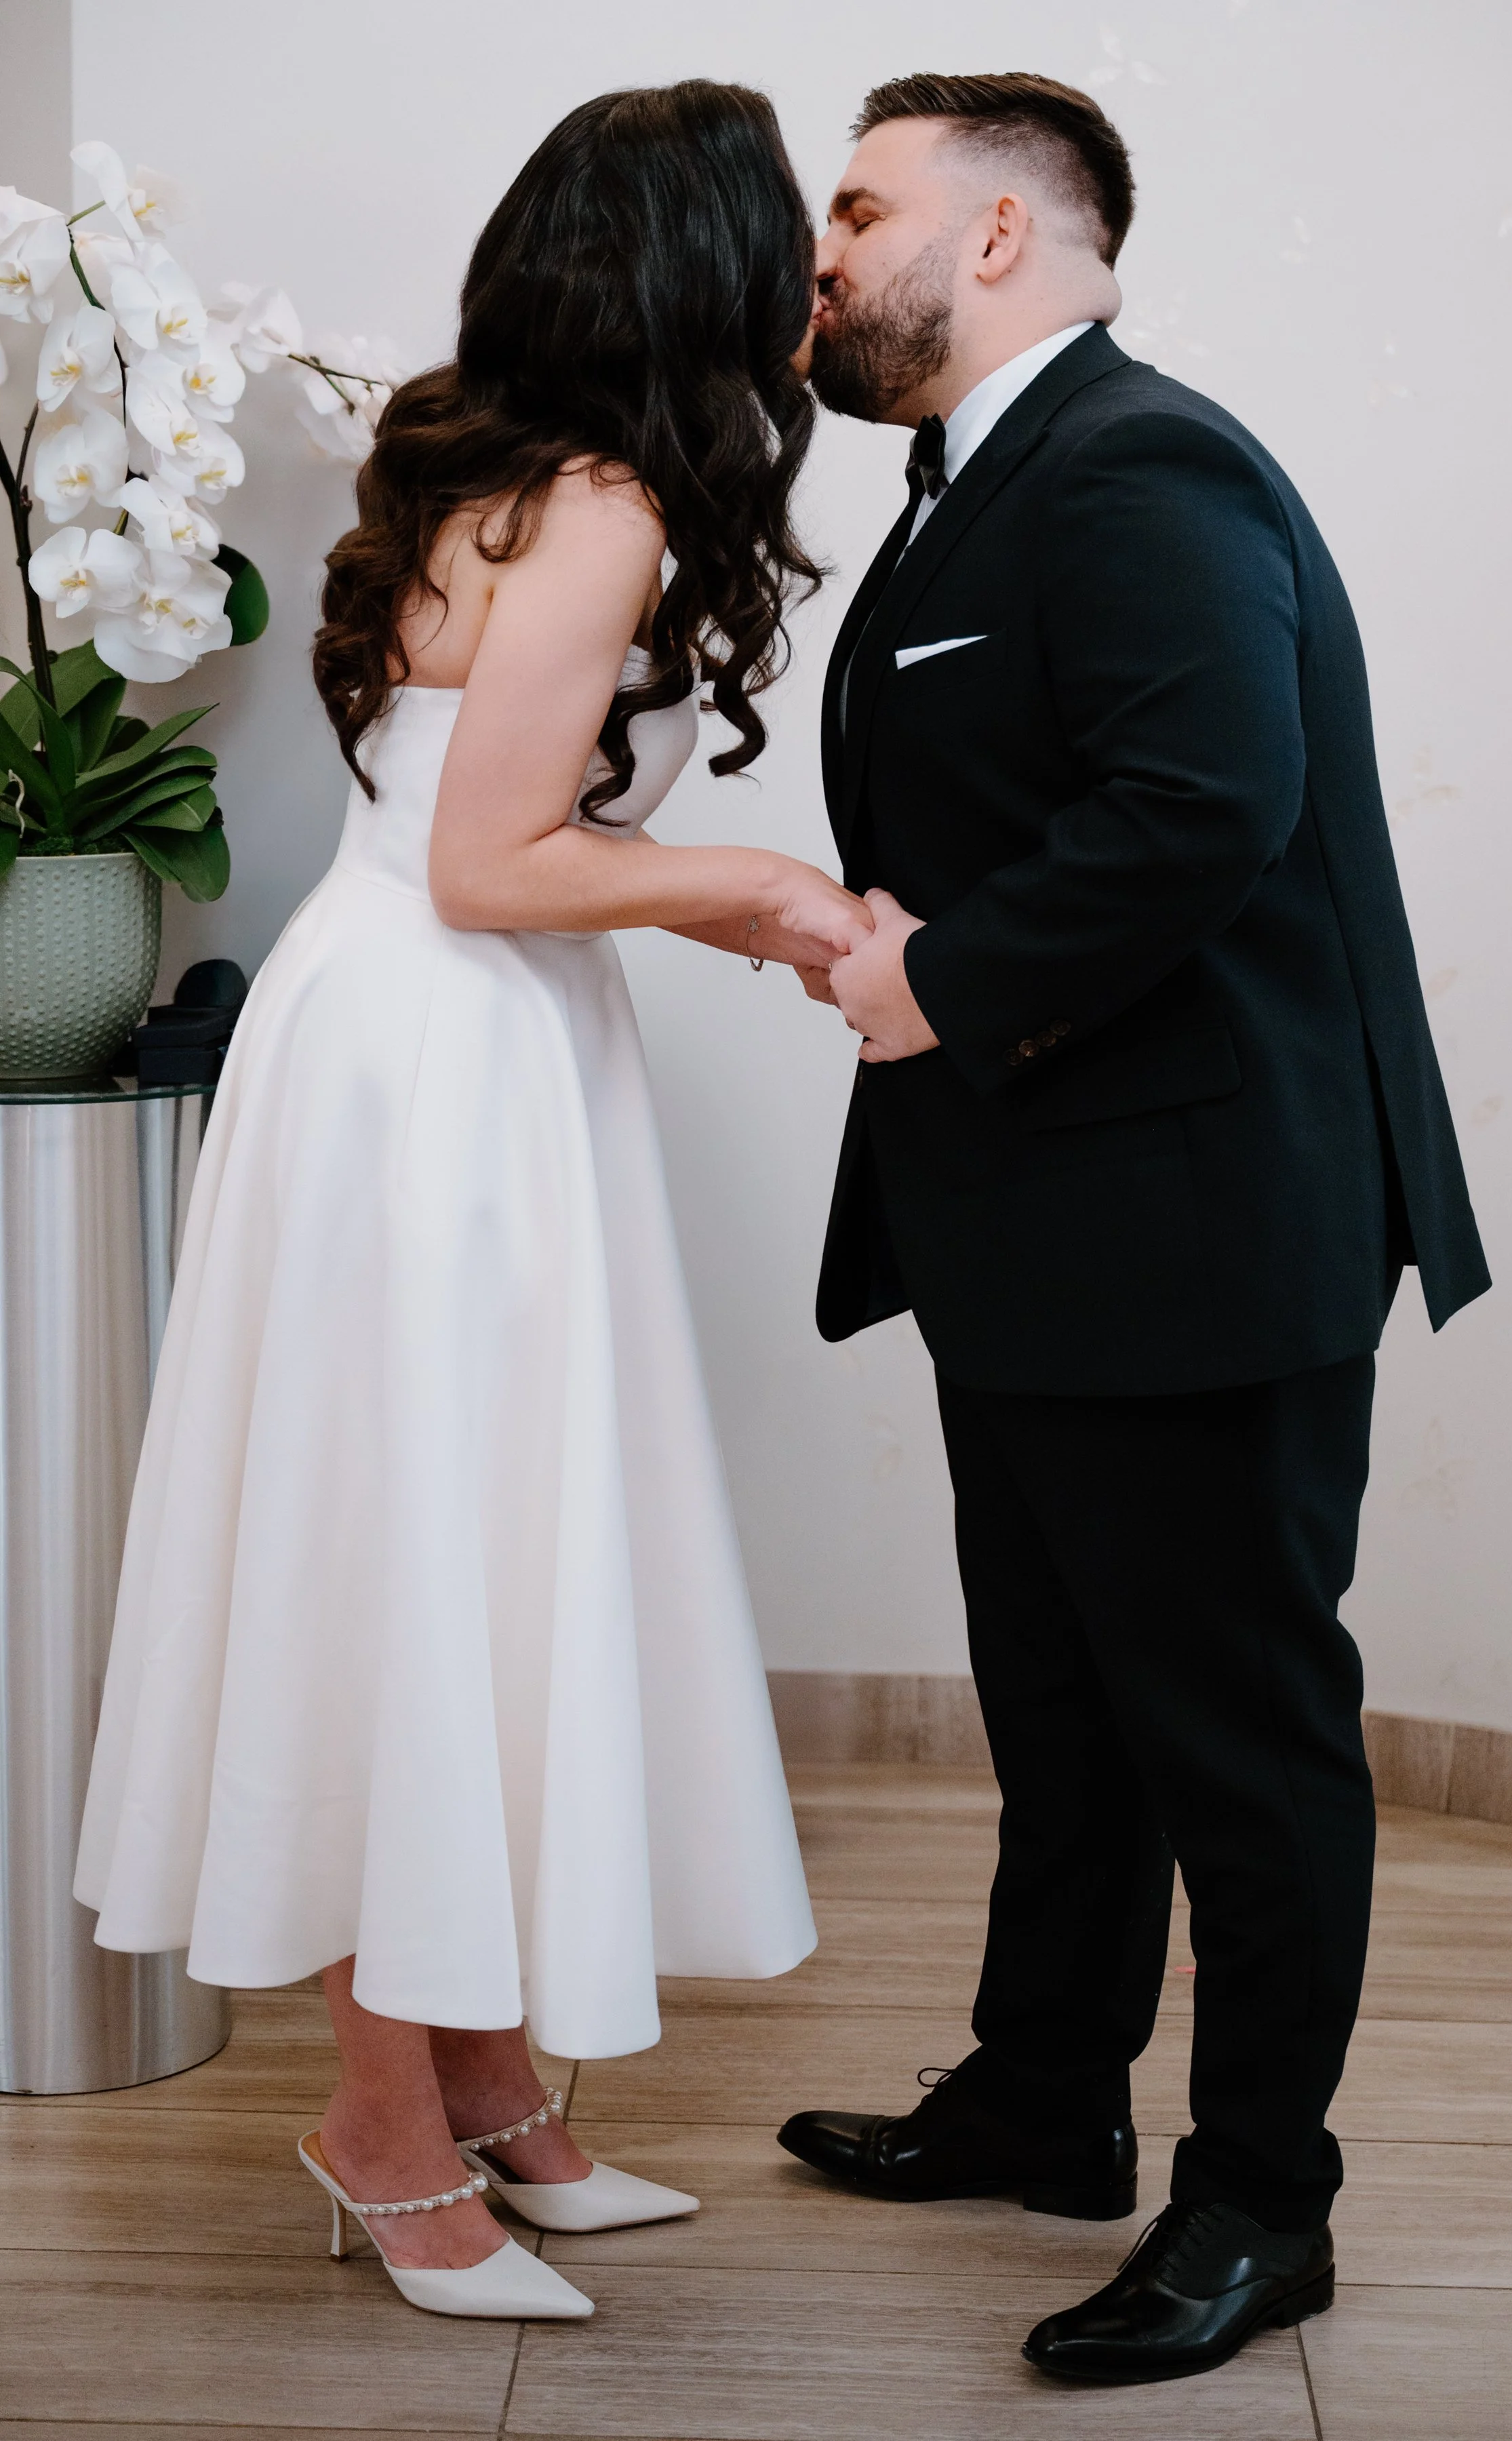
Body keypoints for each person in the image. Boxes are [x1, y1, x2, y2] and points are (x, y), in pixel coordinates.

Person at [75, 81, 849, 2322]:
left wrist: (733, 923)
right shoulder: (601, 501)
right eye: (781, 233)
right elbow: (501, 862)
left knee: (453, 1557)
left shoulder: (492, 466)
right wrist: (773, 884)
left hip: (424, 1039)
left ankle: (494, 2087)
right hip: (445, 1058)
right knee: (418, 1570)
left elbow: (476, 830)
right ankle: (386, 2132)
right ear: (695, 260)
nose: (806, 275)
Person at [776, 71, 1490, 2387]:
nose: (822, 248)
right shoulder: (959, 493)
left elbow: (1208, 801)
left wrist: (933, 980)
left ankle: (1263, 2204)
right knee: (1062, 1699)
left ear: (999, 237)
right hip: (1044, 1224)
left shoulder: (1143, 461)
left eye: (858, 206)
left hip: (1203, 1226)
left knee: (1240, 1736)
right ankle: (1045, 2095)